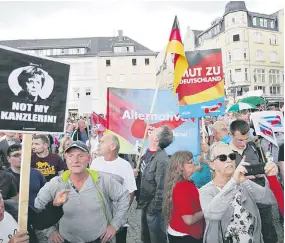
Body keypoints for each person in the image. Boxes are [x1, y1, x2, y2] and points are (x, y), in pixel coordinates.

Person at [34, 141, 130, 243]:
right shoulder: (56, 183)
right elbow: (38, 206)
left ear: (89, 159)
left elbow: (124, 196)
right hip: (66, 240)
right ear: (65, 159)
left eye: (80, 156)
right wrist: (50, 230)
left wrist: (114, 225)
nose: (75, 160)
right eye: (71, 156)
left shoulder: (101, 180)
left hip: (99, 240)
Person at [199, 142, 278, 243]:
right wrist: (233, 182)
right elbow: (212, 214)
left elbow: (271, 199)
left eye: (232, 156)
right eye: (222, 158)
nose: (229, 160)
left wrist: (272, 178)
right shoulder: (206, 191)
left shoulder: (244, 183)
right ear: (211, 164)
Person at [228, 120, 278, 243]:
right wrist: (238, 178)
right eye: (239, 140)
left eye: (246, 139)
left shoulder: (255, 147)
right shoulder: (225, 153)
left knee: (268, 230)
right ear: (231, 134)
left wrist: (266, 171)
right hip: (241, 202)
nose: (243, 143)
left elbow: (266, 166)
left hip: (261, 197)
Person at [91, 134, 137, 243]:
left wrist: (119, 217)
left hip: (117, 220)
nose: (98, 144)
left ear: (112, 147)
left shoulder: (125, 165)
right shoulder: (95, 163)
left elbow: (130, 193)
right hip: (97, 218)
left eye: (102, 142)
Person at [137, 126, 173, 243]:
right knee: (146, 238)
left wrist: (153, 209)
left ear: (156, 139)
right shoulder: (147, 153)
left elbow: (162, 188)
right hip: (145, 203)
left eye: (156, 130)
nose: (151, 129)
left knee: (156, 239)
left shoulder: (162, 160)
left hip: (154, 209)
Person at [163, 151, 204, 243]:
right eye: (190, 162)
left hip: (181, 233)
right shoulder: (183, 186)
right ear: (180, 167)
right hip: (185, 236)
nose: (194, 163)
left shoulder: (183, 183)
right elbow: (189, 219)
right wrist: (206, 209)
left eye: (193, 161)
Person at [0, 190, 68, 243]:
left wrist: (55, 205)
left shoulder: (14, 207)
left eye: (0, 199)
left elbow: (40, 221)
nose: (0, 208)